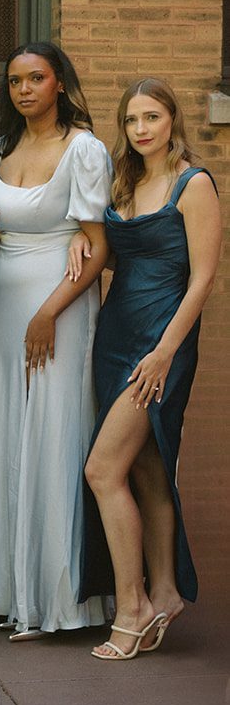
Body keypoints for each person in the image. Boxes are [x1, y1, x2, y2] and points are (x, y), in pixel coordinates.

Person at [0, 42, 111, 639]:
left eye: (36, 78)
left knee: (55, 434)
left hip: (62, 305)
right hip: (3, 309)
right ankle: (8, 592)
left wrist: (50, 312)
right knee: (8, 436)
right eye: (14, 81)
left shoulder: (84, 148)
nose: (24, 89)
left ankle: (60, 599)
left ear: (59, 83)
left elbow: (97, 246)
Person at [82, 79, 219, 659]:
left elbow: (203, 278)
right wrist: (82, 242)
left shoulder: (194, 183)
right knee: (146, 467)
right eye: (132, 119)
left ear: (172, 121)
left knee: (101, 469)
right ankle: (164, 591)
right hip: (115, 335)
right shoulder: (124, 181)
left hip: (163, 342)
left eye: (152, 117)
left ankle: (131, 605)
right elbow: (118, 254)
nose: (141, 129)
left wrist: (164, 353)